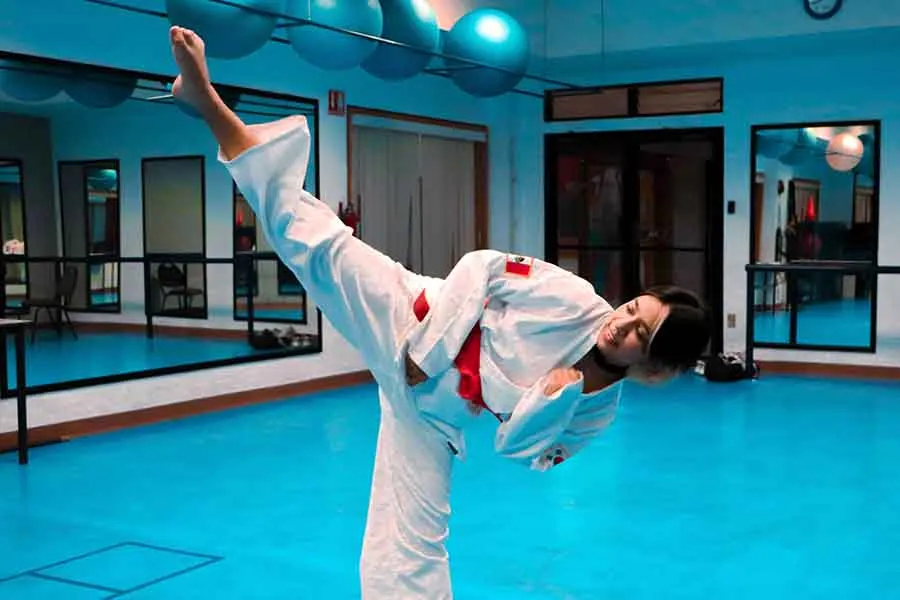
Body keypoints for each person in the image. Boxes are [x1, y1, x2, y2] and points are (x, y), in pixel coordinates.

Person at [167, 25, 711, 599]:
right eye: (631, 308)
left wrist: (557, 396)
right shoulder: (575, 299)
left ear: (653, 364)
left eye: (639, 334)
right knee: (311, 242)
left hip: (432, 415)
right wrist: (430, 352)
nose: (619, 323)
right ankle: (208, 101)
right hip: (409, 316)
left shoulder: (596, 413)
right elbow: (482, 266)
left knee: (410, 540)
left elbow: (520, 453)